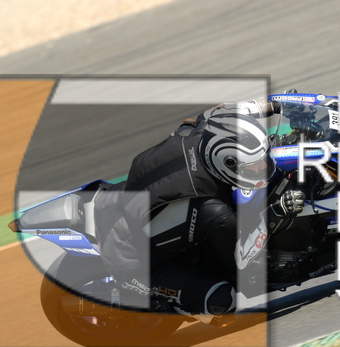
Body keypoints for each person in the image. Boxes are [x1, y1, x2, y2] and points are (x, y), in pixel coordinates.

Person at [93, 98, 305, 324]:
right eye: (254, 165)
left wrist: (275, 105)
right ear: (229, 163)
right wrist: (277, 212)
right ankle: (166, 304)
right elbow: (241, 259)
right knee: (222, 301)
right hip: (131, 258)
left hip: (120, 202)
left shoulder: (204, 137)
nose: (263, 166)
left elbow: (218, 112)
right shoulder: (214, 210)